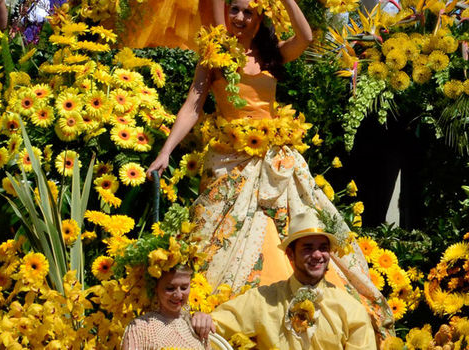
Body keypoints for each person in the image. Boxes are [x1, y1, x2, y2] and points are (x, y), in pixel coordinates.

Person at [146, 0, 391, 334]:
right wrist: (165, 151)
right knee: (223, 240)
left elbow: (305, 37)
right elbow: (193, 104)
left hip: (277, 162)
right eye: (235, 10)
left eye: (249, 12)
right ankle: (224, 323)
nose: (241, 18)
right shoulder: (214, 55)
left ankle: (313, 323)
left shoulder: (271, 53)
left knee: (303, 227)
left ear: (260, 17)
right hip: (230, 162)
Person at [190, 212, 378, 349]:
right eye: (307, 248)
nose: (317, 255)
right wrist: (202, 319)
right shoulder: (263, 300)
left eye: (323, 247)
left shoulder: (350, 310)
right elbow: (214, 327)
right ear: (290, 254)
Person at [122, 265, 210, 350]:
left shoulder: (197, 325)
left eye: (184, 288)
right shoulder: (139, 328)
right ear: (155, 287)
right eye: (170, 288)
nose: (178, 295)